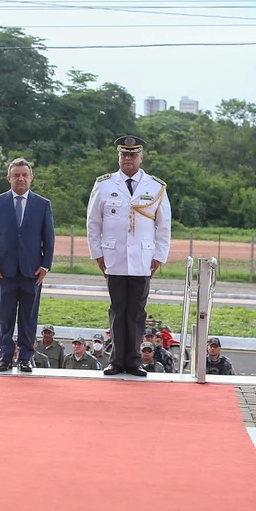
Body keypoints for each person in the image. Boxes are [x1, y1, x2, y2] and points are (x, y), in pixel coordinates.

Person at [87, 135, 171, 377]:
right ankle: (116, 361)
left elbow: (163, 226)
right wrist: (98, 254)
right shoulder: (104, 184)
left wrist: (159, 256)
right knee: (117, 310)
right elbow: (94, 223)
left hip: (143, 260)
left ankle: (133, 361)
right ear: (119, 157)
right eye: (124, 154)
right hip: (113, 258)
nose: (128, 159)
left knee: (136, 311)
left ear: (141, 157)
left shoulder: (155, 187)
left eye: (133, 155)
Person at [0, 157, 55, 373]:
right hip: (5, 272)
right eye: (16, 175)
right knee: (5, 317)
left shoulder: (42, 205)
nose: (21, 179)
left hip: (32, 271)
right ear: (9, 178)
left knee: (28, 317)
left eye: (25, 175)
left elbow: (49, 238)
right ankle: (4, 358)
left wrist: (45, 266)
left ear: (31, 178)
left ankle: (25, 358)